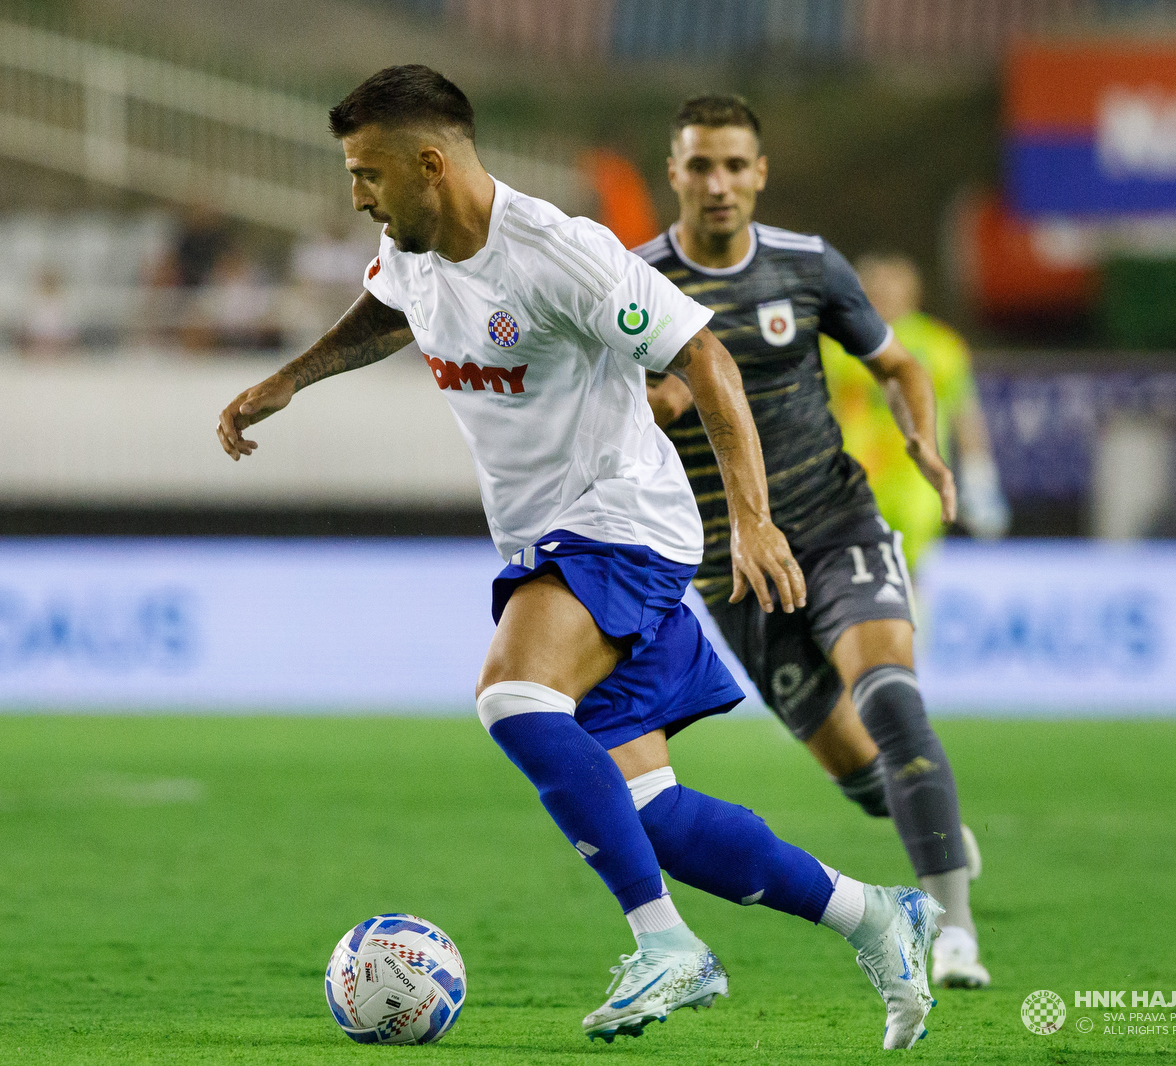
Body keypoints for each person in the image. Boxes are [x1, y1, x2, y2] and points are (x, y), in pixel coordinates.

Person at [217, 66, 940, 1049]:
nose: (358, 195)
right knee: (653, 811)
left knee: (512, 697)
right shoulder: (412, 246)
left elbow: (705, 353)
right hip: (545, 539)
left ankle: (666, 946)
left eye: (366, 173)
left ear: (430, 162)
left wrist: (754, 518)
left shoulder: (560, 254)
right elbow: (393, 309)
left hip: (618, 525)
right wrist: (287, 381)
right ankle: (874, 915)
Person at [639, 95, 989, 988]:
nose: (718, 183)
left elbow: (900, 362)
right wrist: (655, 403)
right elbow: (595, 410)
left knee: (893, 703)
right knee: (857, 770)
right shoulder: (629, 281)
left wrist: (921, 436)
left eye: (734, 166)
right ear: (674, 173)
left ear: (759, 174)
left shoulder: (807, 266)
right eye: (700, 166)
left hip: (836, 523)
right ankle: (926, 812)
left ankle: (953, 930)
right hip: (732, 568)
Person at [822, 253, 1009, 569]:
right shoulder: (835, 343)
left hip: (916, 483)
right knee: (854, 575)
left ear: (913, 291)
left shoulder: (940, 345)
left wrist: (980, 477)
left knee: (908, 574)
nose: (884, 293)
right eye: (875, 286)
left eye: (892, 285)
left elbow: (964, 413)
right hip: (853, 480)